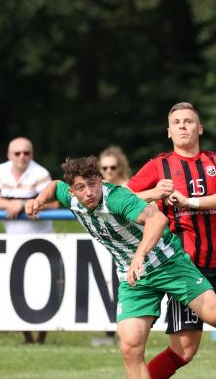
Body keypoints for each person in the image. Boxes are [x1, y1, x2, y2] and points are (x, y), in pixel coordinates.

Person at [27, 156, 216, 379]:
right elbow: (53, 185)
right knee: (130, 348)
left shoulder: (116, 198)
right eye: (80, 187)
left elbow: (157, 220)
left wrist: (139, 255)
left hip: (168, 263)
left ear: (100, 180)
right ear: (73, 190)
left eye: (92, 183)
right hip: (134, 277)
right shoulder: (71, 197)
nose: (89, 192)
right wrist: (38, 200)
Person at [127, 102, 216, 378]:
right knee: (184, 351)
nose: (182, 126)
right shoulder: (159, 166)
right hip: (186, 269)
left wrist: (190, 202)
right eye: (177, 123)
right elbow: (119, 197)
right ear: (169, 132)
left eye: (189, 121)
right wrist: (154, 192)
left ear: (200, 128)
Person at [0, 136, 56, 344]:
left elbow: (53, 205)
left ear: (32, 154)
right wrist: (15, 204)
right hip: (13, 239)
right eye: (17, 153)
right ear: (10, 155)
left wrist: (21, 204)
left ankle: (42, 338)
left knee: (45, 286)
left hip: (40, 240)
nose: (22, 157)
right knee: (16, 286)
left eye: (26, 152)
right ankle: (27, 337)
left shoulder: (41, 173)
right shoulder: (1, 170)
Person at [93, 145, 133, 346]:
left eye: (113, 167)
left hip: (130, 248)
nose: (108, 172)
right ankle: (110, 332)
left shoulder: (130, 188)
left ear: (121, 167)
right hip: (109, 246)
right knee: (107, 288)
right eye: (104, 168)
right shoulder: (95, 191)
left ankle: (127, 334)